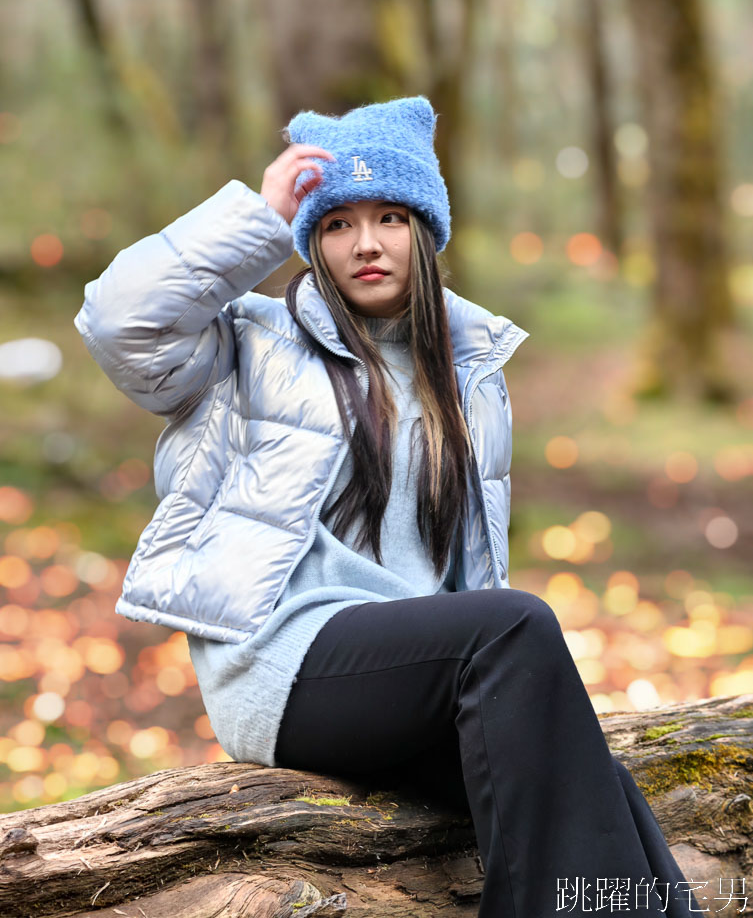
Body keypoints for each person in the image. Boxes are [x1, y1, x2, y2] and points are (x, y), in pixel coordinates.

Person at [74, 96, 702, 917]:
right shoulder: (247, 346)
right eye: (336, 224)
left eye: (390, 218)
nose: (365, 243)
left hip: (424, 679)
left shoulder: (469, 371)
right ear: (311, 240)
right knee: (515, 625)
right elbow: (119, 321)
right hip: (287, 666)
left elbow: (458, 575)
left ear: (426, 233)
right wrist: (260, 217)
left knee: (593, 786)